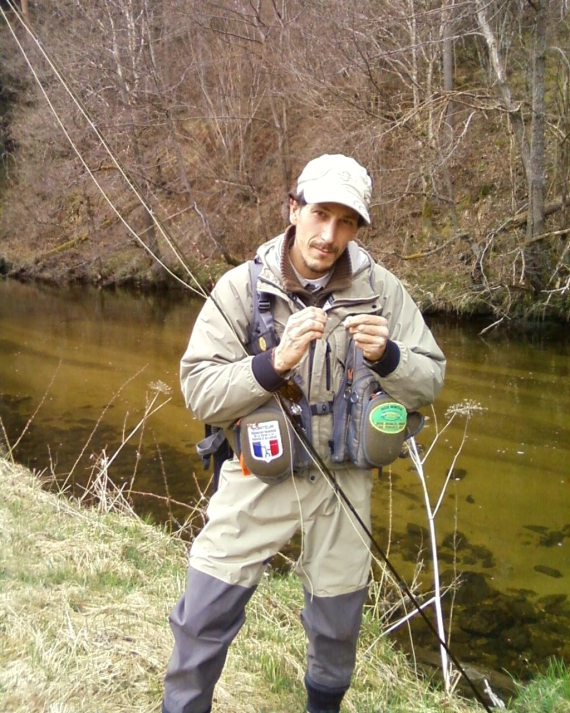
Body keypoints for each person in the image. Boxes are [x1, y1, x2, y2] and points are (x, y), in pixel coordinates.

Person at [162, 154, 446, 713]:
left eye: (346, 222)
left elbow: (430, 378)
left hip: (344, 484)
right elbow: (198, 389)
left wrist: (388, 356)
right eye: (319, 214)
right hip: (256, 473)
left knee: (338, 629)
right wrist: (274, 363)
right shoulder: (241, 287)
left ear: (359, 227)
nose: (329, 234)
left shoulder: (384, 291)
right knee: (203, 614)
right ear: (293, 209)